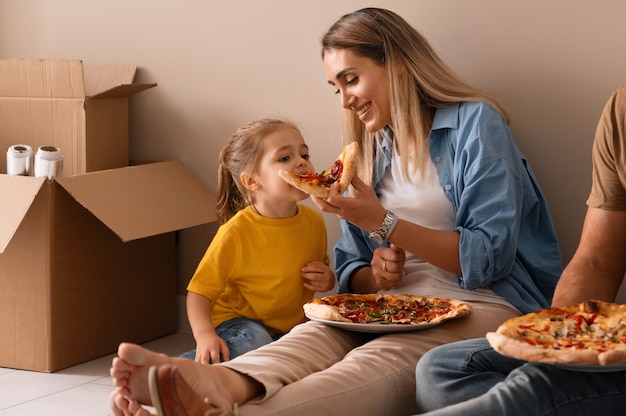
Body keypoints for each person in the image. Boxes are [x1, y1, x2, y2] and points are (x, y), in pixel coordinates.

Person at [109, 8, 562, 416]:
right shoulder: (367, 149)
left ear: (396, 62)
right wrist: (377, 276)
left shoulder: (475, 123)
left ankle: (227, 412)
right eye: (336, 86)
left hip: (482, 302)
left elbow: (489, 258)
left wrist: (384, 224)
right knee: (312, 336)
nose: (344, 100)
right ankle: (217, 382)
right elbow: (350, 269)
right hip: (392, 304)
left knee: (371, 360)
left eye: (351, 79)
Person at [414, 85, 626, 416]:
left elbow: (486, 256)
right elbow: (597, 262)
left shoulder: (478, 120)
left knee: (530, 391)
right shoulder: (622, 110)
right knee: (441, 369)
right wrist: (557, 343)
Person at [180, 118, 335, 363]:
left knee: (327, 339)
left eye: (304, 154)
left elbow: (318, 273)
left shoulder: (314, 222)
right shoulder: (237, 232)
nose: (301, 162)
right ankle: (173, 370)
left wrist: (327, 278)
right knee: (256, 341)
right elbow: (198, 294)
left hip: (287, 327)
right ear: (252, 181)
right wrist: (205, 336)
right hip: (239, 324)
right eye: (285, 158)